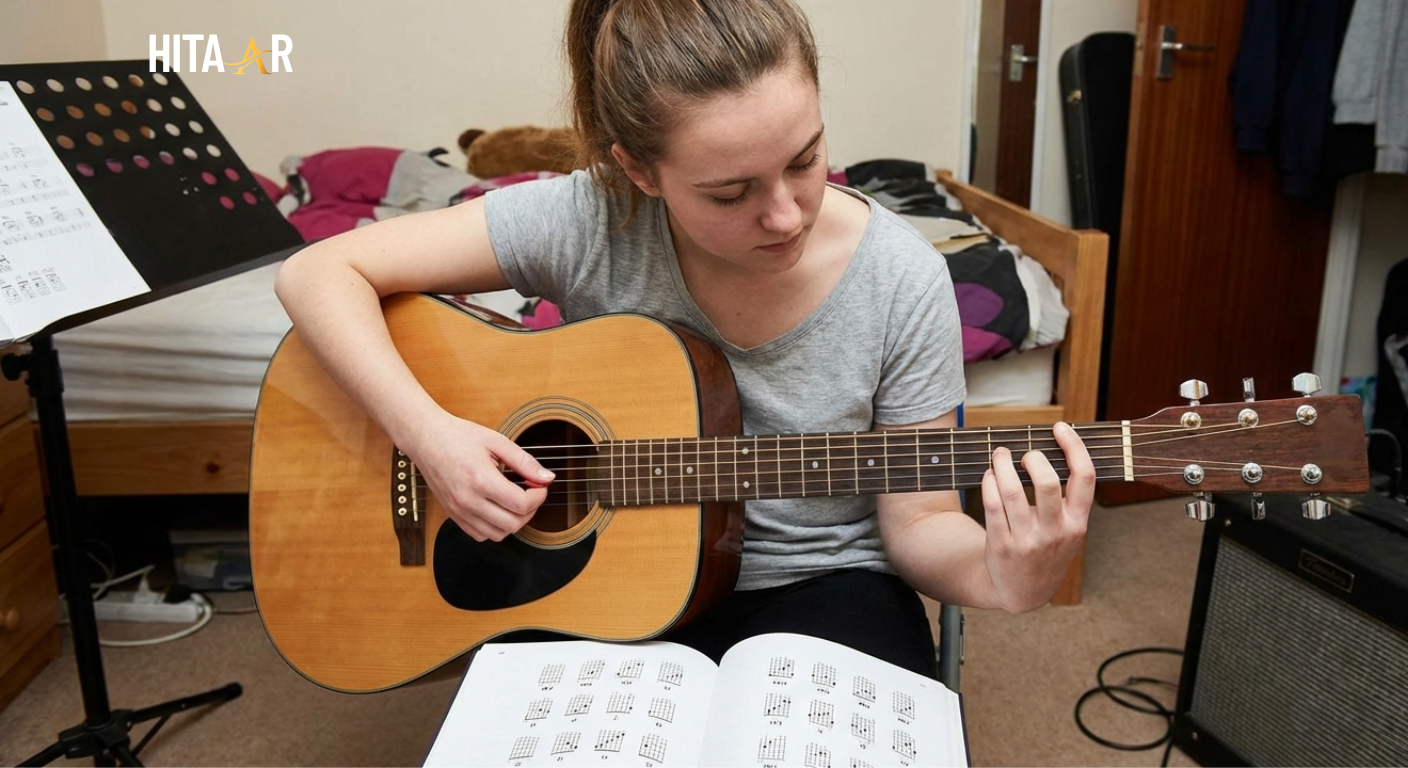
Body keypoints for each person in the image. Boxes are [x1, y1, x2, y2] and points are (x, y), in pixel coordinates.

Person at [274, 0, 1095, 679]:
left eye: (805, 159)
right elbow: (317, 273)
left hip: (825, 585)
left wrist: (1004, 578)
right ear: (638, 172)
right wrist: (431, 438)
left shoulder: (902, 279)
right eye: (730, 192)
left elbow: (917, 526)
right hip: (599, 583)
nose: (785, 214)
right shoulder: (587, 216)